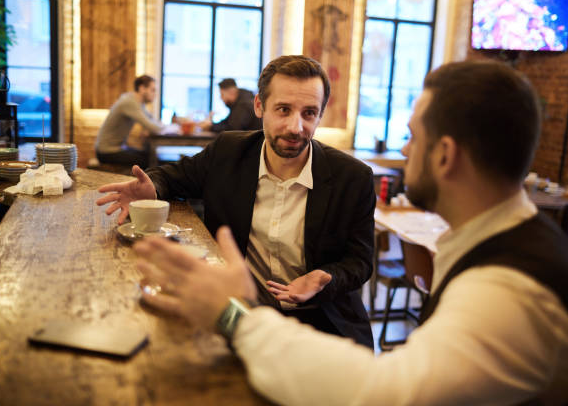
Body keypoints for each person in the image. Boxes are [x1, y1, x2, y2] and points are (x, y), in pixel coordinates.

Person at [133, 60, 568, 405]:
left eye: (412, 137)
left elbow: (386, 394)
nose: (405, 149)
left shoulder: (508, 288)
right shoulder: (507, 243)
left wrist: (233, 316)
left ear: (445, 156)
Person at [96, 55, 376, 348]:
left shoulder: (353, 178)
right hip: (241, 312)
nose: (296, 127)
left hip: (321, 320)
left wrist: (325, 277)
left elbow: (360, 260)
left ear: (320, 115)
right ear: (259, 106)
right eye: (283, 110)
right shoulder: (229, 151)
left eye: (309, 113)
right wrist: (152, 186)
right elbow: (176, 176)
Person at [95, 75, 172, 169]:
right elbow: (153, 127)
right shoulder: (130, 102)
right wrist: (172, 128)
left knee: (150, 155)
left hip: (116, 149)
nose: (155, 94)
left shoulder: (137, 102)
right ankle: (144, 183)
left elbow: (152, 121)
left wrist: (161, 127)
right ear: (142, 88)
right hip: (106, 152)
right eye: (153, 90)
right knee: (149, 160)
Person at [197, 78, 262, 133]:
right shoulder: (239, 102)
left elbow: (232, 129)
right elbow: (228, 121)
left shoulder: (243, 104)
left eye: (222, 94)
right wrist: (211, 125)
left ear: (231, 92)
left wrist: (211, 127)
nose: (221, 98)